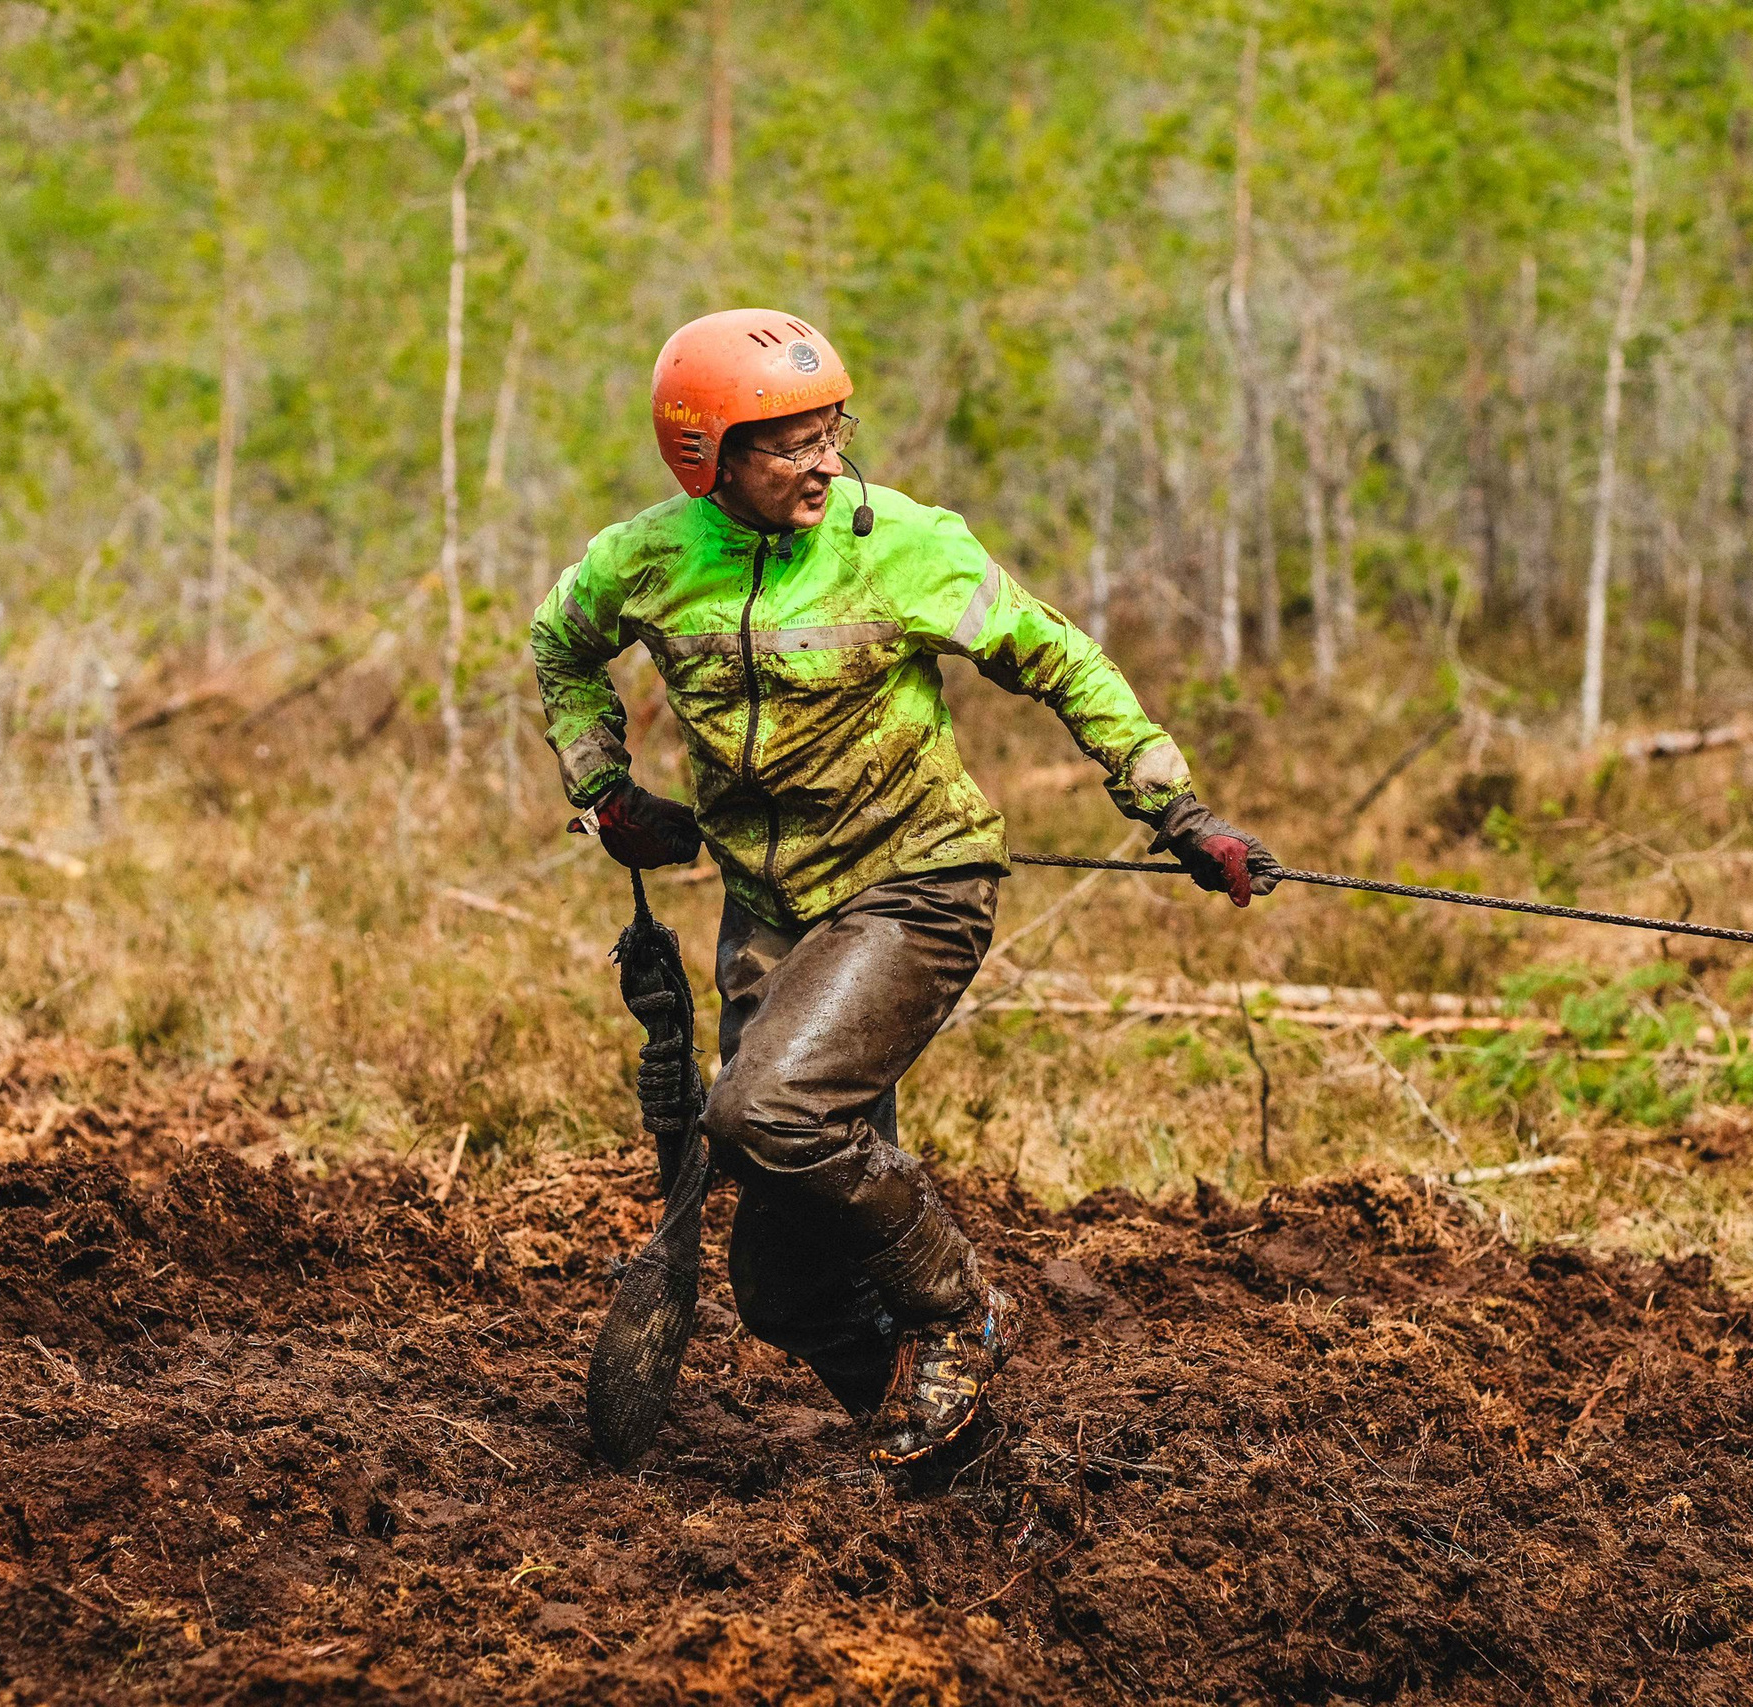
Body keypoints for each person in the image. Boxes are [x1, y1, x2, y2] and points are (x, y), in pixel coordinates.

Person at [531, 309, 1280, 1475]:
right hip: (769, 919)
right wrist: (603, 788)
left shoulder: (909, 545)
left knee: (765, 1114)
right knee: (782, 1288)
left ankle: (957, 1314)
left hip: (914, 885)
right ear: (707, 455)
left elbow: (1061, 660)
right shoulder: (646, 559)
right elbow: (560, 645)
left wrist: (1175, 811)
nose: (827, 461)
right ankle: (954, 1467)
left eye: (834, 431)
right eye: (790, 443)